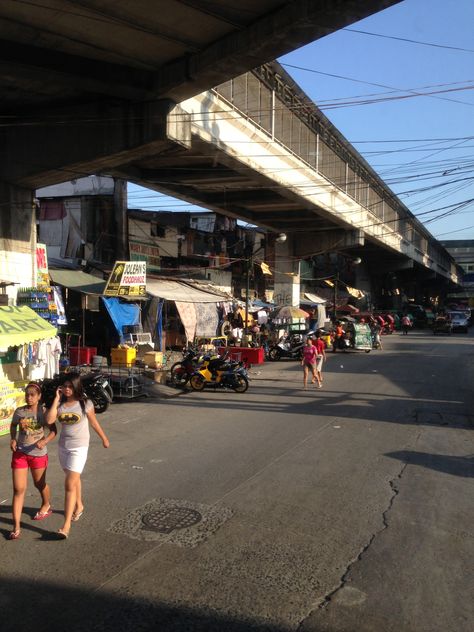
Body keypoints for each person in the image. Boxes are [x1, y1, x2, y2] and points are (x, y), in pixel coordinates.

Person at [46, 372, 109, 539]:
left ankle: (65, 526)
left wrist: (104, 438)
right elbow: (50, 420)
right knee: (73, 479)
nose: (67, 389)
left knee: (69, 484)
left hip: (79, 448)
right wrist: (55, 399)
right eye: (64, 386)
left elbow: (94, 422)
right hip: (63, 448)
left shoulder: (85, 404)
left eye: (70, 386)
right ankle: (79, 505)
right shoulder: (60, 406)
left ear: (76, 387)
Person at [9, 382, 57, 540]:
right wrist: (13, 439)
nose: (29, 398)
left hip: (38, 454)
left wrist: (45, 441)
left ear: (39, 396)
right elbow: (13, 425)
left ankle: (46, 504)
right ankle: (16, 526)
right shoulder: (19, 411)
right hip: (20, 454)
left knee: (39, 484)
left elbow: (53, 431)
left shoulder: (43, 412)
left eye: (32, 395)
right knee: (18, 489)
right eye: (27, 394)